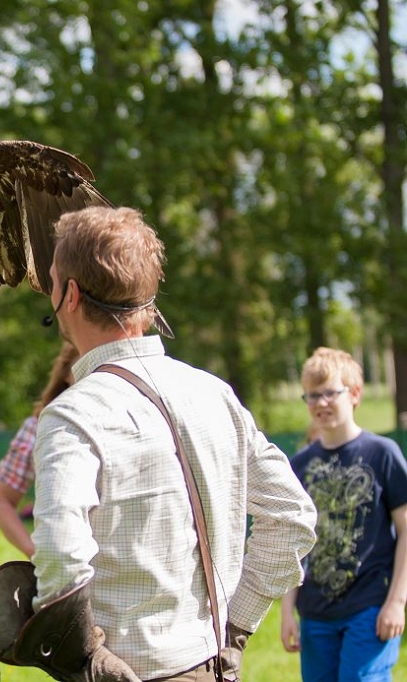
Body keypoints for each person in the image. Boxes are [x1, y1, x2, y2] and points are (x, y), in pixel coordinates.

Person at [30, 206, 317, 681]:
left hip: (126, 671)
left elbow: (60, 562)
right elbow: (292, 516)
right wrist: (234, 631)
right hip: (214, 668)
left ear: (71, 295)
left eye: (53, 282)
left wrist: (90, 661)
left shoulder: (72, 413)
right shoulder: (213, 392)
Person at [280, 347, 407, 681]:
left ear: (354, 394)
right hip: (315, 613)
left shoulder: (383, 454)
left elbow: (406, 529)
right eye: (312, 395)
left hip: (370, 606)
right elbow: (295, 543)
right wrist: (287, 611)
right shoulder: (301, 465)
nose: (320, 402)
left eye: (329, 393)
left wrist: (397, 601)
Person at [0, 342, 77, 557]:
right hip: (64, 563)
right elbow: (1, 500)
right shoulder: (38, 426)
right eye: (83, 366)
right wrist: (34, 552)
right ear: (66, 374)